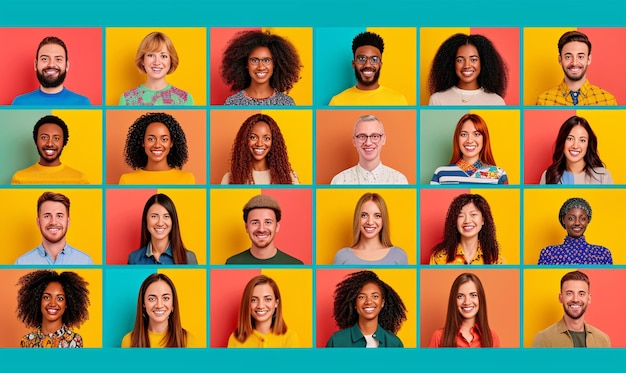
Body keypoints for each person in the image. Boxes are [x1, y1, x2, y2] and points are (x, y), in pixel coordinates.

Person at [326, 270, 406, 347]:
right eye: (362, 297)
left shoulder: (394, 343)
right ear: (355, 304)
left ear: (382, 303)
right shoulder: (336, 341)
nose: (368, 302)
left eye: (375, 296)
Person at [221, 30, 301, 105]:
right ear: (246, 64)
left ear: (274, 64)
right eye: (254, 60)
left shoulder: (286, 103)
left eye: (266, 60)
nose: (261, 67)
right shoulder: (233, 102)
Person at [536, 31, 616, 106]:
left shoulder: (608, 101)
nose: (574, 63)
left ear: (588, 59)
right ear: (560, 60)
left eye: (580, 57)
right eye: (568, 57)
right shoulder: (543, 101)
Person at [532, 271, 610, 347]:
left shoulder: (603, 340)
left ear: (589, 299)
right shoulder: (543, 339)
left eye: (581, 294)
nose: (575, 299)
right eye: (569, 293)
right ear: (561, 298)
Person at [329, 31, 408, 106]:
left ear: (380, 65)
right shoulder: (337, 102)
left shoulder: (399, 101)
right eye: (362, 59)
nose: (367, 65)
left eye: (374, 59)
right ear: (353, 64)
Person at [15, 192, 93, 265]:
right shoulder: (21, 263)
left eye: (59, 216)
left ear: (68, 222)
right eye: (47, 216)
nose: (53, 222)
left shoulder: (85, 261)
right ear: (38, 222)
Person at [428, 34, 507, 105]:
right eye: (460, 60)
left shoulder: (496, 101)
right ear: (451, 63)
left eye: (473, 60)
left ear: (483, 62)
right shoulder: (437, 100)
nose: (467, 66)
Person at [17, 270, 90, 348]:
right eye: (47, 297)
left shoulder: (74, 341)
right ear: (38, 300)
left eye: (60, 298)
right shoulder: (26, 341)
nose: (52, 304)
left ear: (67, 304)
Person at [122, 273, 197, 347]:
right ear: (143, 304)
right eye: (152, 299)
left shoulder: (189, 340)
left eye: (165, 298)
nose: (159, 305)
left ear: (173, 304)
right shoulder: (128, 341)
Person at [221, 113, 299, 184]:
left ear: (273, 142)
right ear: (245, 140)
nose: (259, 144)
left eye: (266, 138)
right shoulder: (229, 178)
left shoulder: (289, 177)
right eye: (253, 137)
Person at [119, 112, 195, 184]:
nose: (157, 145)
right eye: (151, 139)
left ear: (171, 143)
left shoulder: (187, 179)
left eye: (164, 139)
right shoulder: (127, 180)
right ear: (142, 142)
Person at [119, 31, 194, 106]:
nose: (157, 62)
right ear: (142, 60)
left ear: (171, 60)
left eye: (163, 56)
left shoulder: (185, 99)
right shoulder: (127, 99)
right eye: (151, 55)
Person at [431, 114, 508, 185]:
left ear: (484, 139)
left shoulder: (498, 173)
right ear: (457, 139)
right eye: (464, 134)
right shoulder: (441, 173)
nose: (469, 140)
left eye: (476, 134)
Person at [12, 36, 91, 105]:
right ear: (36, 65)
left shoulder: (82, 103)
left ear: (67, 66)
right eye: (45, 59)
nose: (51, 64)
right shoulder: (19, 103)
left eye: (58, 59)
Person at [226, 194, 303, 264]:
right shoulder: (232, 263)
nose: (261, 229)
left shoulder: (295, 264)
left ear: (277, 227)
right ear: (246, 227)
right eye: (255, 223)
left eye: (268, 222)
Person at [11, 115, 89, 184]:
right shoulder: (20, 178)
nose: (50, 144)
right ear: (36, 141)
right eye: (44, 137)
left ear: (63, 143)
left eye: (56, 138)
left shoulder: (80, 179)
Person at [331, 115, 407, 184]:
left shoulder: (399, 180)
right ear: (354, 140)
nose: (368, 143)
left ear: (383, 139)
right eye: (362, 136)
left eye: (374, 136)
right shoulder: (339, 181)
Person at [429, 273, 500, 347]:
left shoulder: (492, 338)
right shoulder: (438, 337)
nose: (467, 302)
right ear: (454, 300)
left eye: (473, 295)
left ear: (480, 299)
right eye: (460, 296)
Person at [334, 193, 407, 265]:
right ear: (357, 218)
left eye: (377, 216)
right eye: (364, 215)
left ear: (383, 219)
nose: (370, 222)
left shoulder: (398, 256)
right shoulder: (342, 257)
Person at [430, 194, 504, 264]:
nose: (467, 221)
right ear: (455, 221)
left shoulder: (496, 259)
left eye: (473, 214)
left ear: (483, 220)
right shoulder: (439, 258)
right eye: (461, 215)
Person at [228, 275, 299, 348]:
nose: (260, 306)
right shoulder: (235, 339)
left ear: (276, 303)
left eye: (268, 299)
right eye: (254, 300)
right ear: (247, 304)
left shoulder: (290, 338)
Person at [127, 193, 198, 264]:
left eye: (166, 216)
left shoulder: (189, 258)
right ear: (146, 220)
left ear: (173, 221)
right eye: (154, 216)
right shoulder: (134, 259)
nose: (160, 223)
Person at [540, 116, 612, 184]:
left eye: (582, 140)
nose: (575, 146)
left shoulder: (603, 176)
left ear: (588, 144)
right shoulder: (548, 176)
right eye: (570, 139)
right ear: (563, 141)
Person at [538, 197, 612, 265]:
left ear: (588, 220)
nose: (577, 223)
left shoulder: (602, 254)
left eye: (582, 218)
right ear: (563, 220)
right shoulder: (549, 254)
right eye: (571, 218)